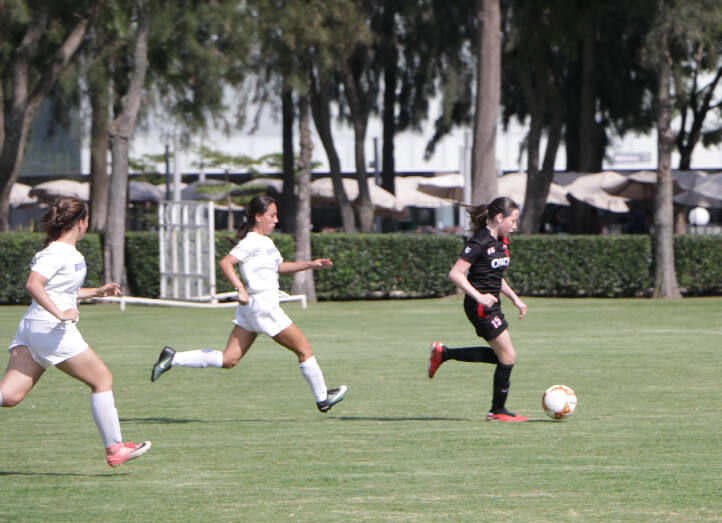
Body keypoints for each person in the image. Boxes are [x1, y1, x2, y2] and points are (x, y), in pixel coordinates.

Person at [151, 195, 347, 413]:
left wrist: (311, 264)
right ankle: (322, 398)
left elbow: (279, 267)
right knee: (304, 350)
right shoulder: (252, 241)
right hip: (263, 306)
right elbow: (226, 263)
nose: (276, 220)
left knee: (229, 359)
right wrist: (240, 288)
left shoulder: (265, 242)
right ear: (258, 216)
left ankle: (173, 357)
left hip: (252, 308)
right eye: (271, 215)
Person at [0, 197, 151, 466]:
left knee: (10, 396)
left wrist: (97, 291)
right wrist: (60, 313)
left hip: (34, 328)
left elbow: (60, 291)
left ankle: (116, 447)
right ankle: (116, 448)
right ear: (82, 222)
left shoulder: (67, 253)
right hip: (51, 330)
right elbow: (34, 285)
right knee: (102, 379)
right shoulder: (58, 252)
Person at [427, 196, 528, 422]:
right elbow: (455, 274)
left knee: (503, 357)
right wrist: (479, 297)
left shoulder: (502, 241)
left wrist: (515, 298)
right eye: (513, 220)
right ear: (499, 217)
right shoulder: (479, 241)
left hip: (492, 304)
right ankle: (497, 411)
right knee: (508, 356)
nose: (515, 226)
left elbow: (495, 276)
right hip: (479, 307)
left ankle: (444, 353)